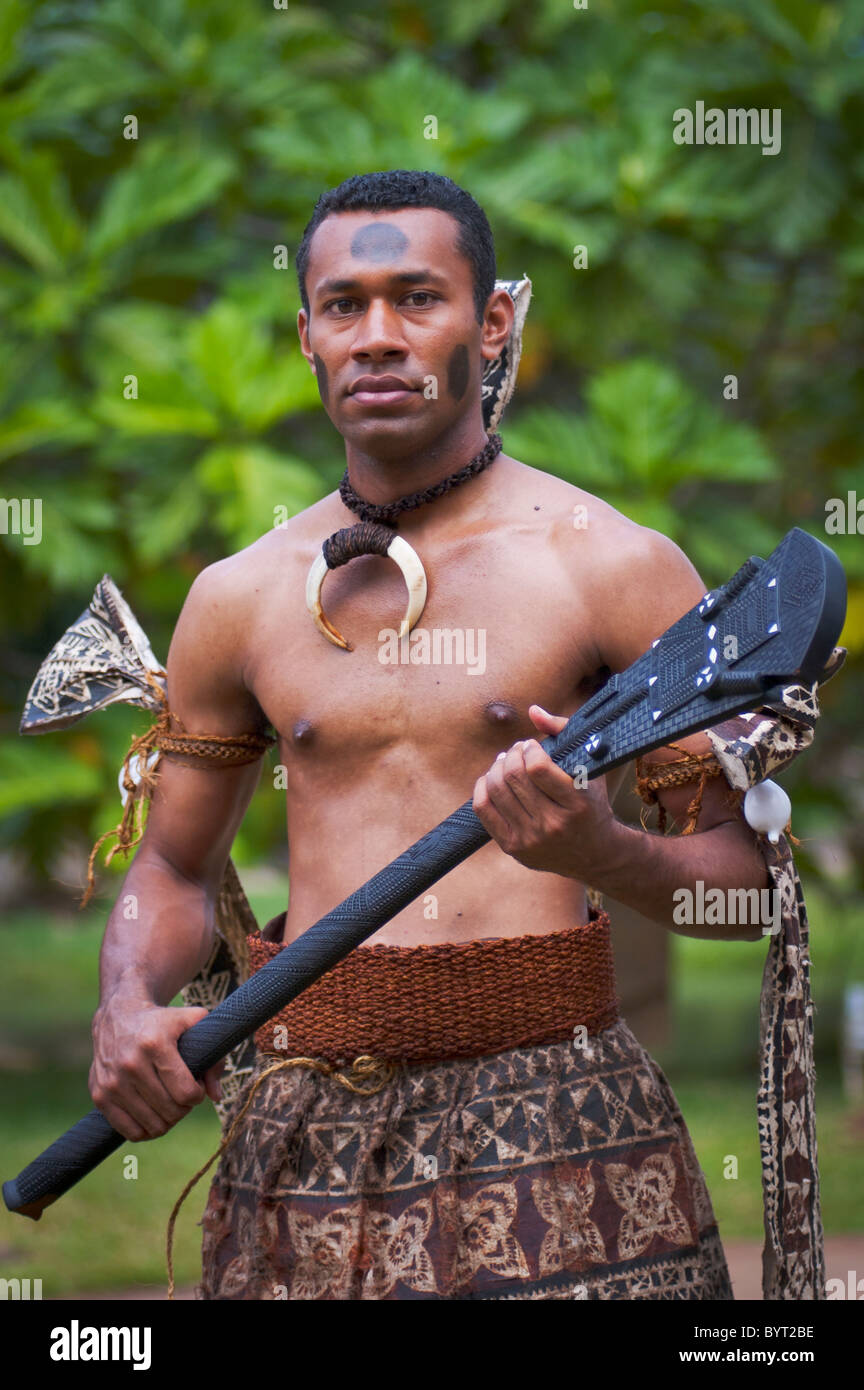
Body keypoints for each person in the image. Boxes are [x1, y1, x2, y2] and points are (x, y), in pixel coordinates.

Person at [87, 169, 816, 1301]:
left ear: (493, 322)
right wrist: (126, 1004)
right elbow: (173, 869)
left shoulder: (609, 565)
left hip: (563, 1121)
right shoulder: (238, 597)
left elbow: (749, 890)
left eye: (416, 299)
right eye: (344, 306)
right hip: (304, 1132)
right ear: (306, 339)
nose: (377, 337)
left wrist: (596, 851)